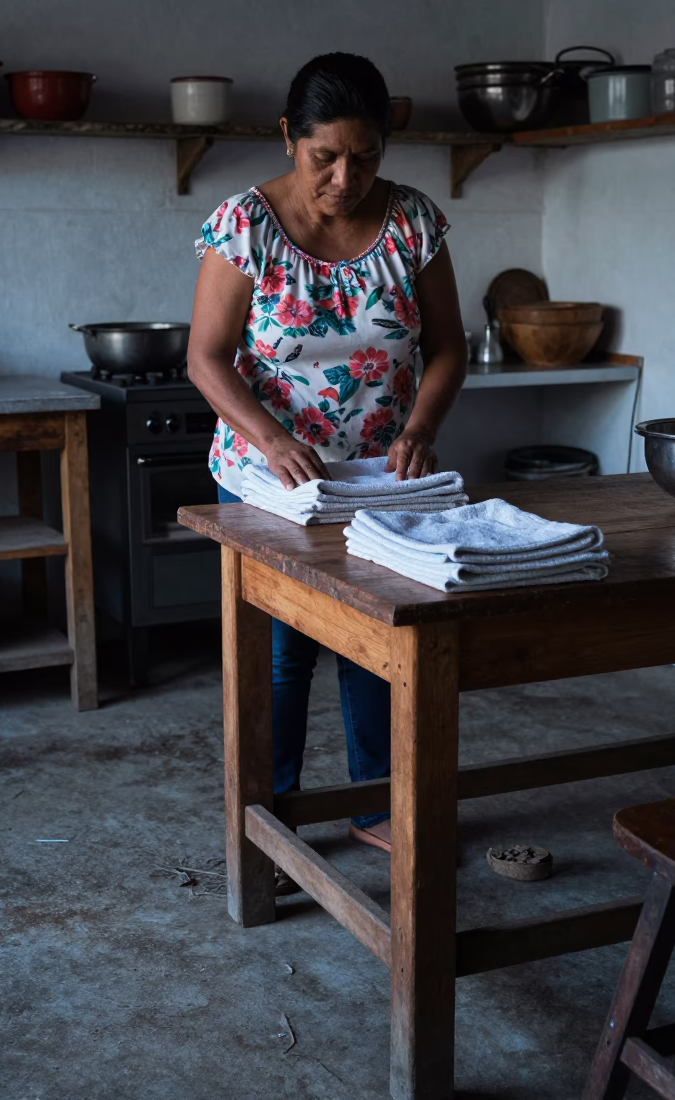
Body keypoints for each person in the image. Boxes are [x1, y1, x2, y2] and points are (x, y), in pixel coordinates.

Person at [188, 52, 467, 890]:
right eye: (325, 158)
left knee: (379, 640)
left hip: (380, 478)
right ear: (289, 138)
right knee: (284, 652)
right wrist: (273, 442)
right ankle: (271, 814)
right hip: (268, 479)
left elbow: (449, 347)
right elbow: (205, 359)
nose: (347, 178)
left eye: (367, 156)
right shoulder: (246, 225)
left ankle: (378, 803)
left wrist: (420, 425)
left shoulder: (413, 223)